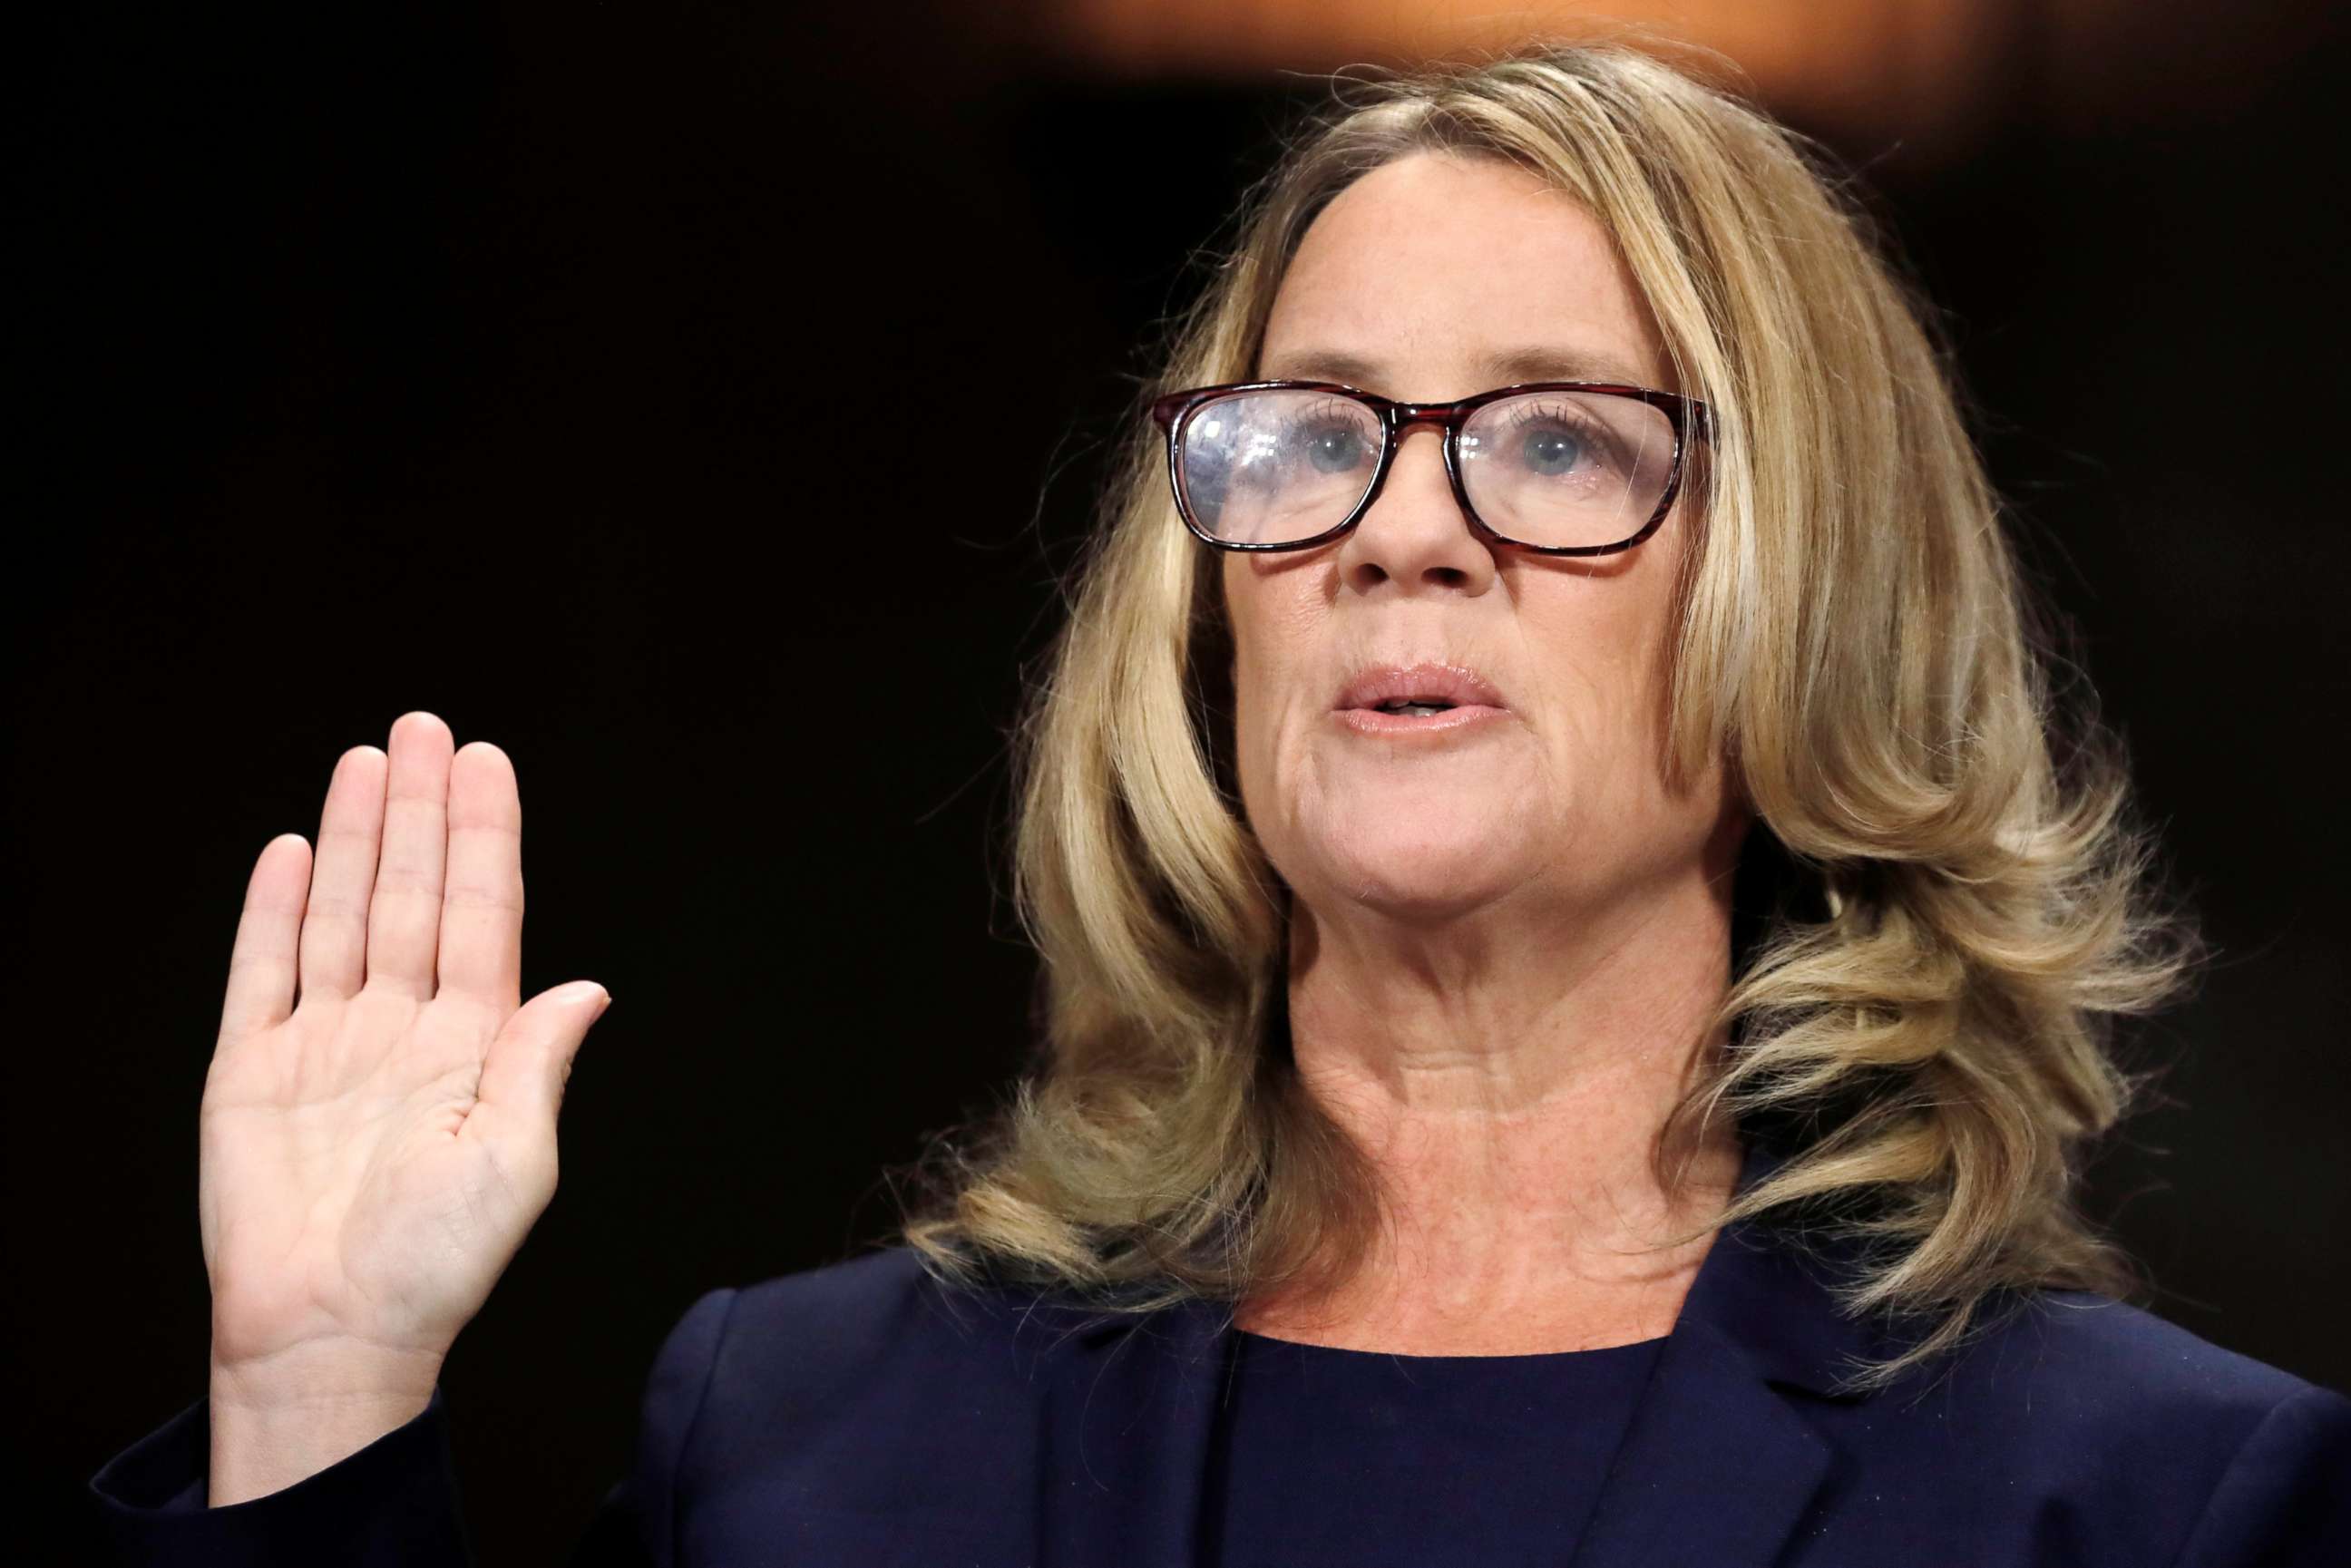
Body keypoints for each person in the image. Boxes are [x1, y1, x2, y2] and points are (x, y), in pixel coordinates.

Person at [89, 38, 2350, 1567]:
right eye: (1313, 433)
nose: (1400, 528)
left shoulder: (2154, 1497)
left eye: (1557, 438)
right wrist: (318, 1390)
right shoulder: (800, 1436)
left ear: (1811, 584)